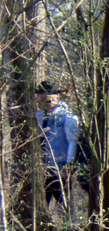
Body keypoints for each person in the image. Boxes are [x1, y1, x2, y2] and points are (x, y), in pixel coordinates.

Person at [34, 80, 80, 211]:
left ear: (58, 96)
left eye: (51, 96)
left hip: (60, 168)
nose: (48, 100)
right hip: (44, 168)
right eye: (44, 97)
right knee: (42, 206)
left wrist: (68, 164)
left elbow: (72, 141)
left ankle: (70, 229)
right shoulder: (42, 116)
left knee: (64, 206)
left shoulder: (67, 116)